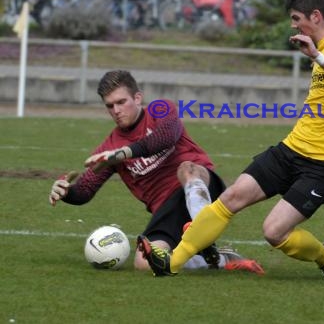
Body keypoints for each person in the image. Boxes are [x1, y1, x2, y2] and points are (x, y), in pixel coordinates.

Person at [138, 0, 324, 279]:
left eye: (296, 18)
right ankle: (171, 263)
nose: (293, 24)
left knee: (274, 231)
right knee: (232, 197)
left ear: (315, 16)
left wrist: (319, 57)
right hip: (292, 149)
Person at [49, 70, 263, 274]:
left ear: (137, 98)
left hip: (202, 187)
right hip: (168, 210)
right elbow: (86, 190)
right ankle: (218, 259)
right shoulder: (110, 148)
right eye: (110, 106)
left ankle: (201, 228)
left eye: (121, 102)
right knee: (145, 262)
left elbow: (166, 136)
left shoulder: (160, 109)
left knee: (186, 169)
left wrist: (124, 153)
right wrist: (67, 192)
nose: (116, 110)